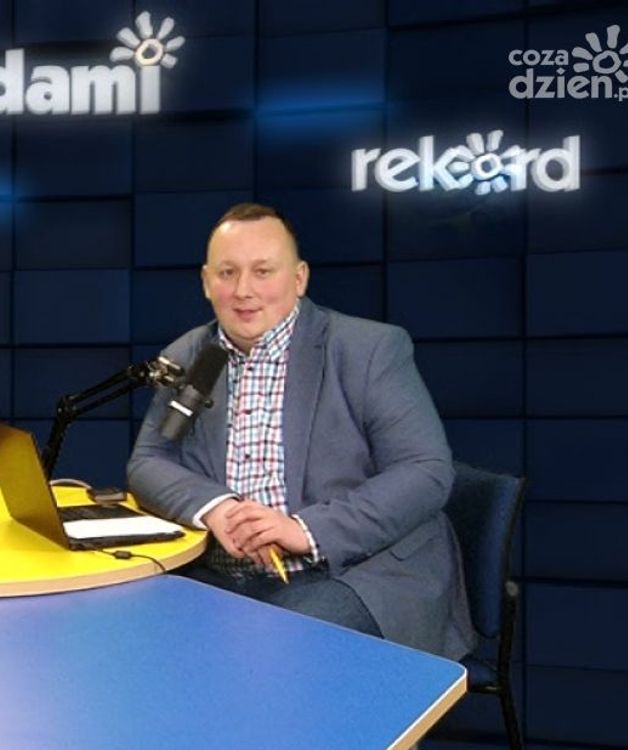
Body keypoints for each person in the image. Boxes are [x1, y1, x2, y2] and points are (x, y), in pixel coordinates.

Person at [127, 203, 475, 659]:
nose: (244, 290)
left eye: (263, 271)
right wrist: (217, 508)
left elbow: (426, 470)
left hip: (355, 573)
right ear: (206, 282)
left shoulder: (369, 349)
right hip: (221, 574)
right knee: (137, 638)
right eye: (228, 272)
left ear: (299, 278)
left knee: (270, 651)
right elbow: (148, 460)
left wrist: (303, 529)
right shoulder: (188, 356)